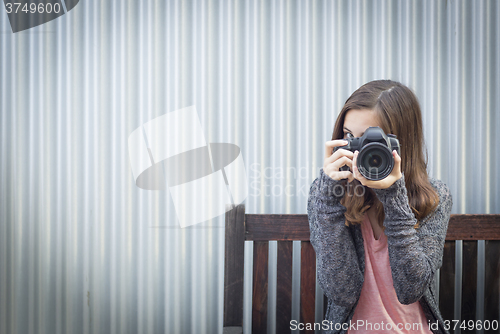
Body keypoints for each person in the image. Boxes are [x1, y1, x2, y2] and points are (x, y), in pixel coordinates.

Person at [307, 80, 453, 334]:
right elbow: (342, 293)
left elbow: (411, 290)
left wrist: (395, 198)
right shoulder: (328, 194)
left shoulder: (434, 196)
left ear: (401, 143)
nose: (358, 150)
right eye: (349, 137)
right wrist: (329, 200)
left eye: (371, 140)